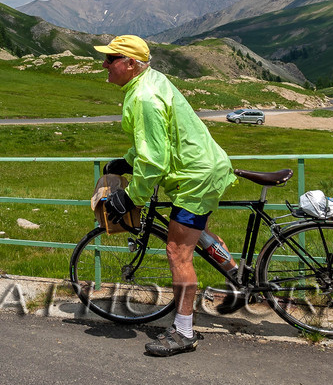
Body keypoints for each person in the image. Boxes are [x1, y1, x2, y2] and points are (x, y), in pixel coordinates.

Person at [93, 35, 235, 357]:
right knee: (195, 236)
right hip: (202, 169)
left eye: (111, 58)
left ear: (130, 64)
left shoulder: (143, 96)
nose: (105, 64)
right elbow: (157, 139)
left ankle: (184, 332)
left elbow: (155, 159)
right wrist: (128, 161)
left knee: (176, 252)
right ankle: (239, 277)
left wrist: (131, 197)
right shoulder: (150, 80)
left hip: (195, 177)